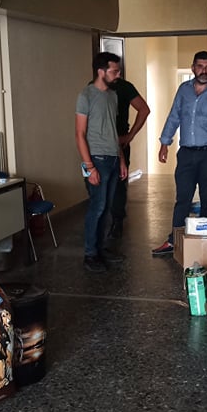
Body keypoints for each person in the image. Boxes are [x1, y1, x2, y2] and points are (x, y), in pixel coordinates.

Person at [151, 51, 207, 256]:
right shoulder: (184, 90)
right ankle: (174, 241)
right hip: (186, 153)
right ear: (193, 68)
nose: (204, 71)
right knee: (183, 197)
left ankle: (205, 241)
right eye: (200, 66)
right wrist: (165, 143)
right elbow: (174, 116)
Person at [76, 52, 129, 272]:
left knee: (107, 208)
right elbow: (80, 134)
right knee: (97, 208)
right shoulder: (86, 95)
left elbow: (113, 131)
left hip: (113, 158)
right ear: (101, 71)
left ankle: (100, 249)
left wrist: (122, 159)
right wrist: (89, 167)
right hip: (96, 159)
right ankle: (90, 255)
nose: (118, 75)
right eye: (114, 71)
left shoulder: (113, 96)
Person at [109, 75, 150, 239]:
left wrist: (130, 135)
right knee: (98, 185)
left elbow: (144, 109)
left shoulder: (124, 87)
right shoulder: (92, 90)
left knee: (119, 183)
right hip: (97, 145)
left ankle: (117, 221)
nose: (118, 74)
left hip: (119, 143)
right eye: (114, 70)